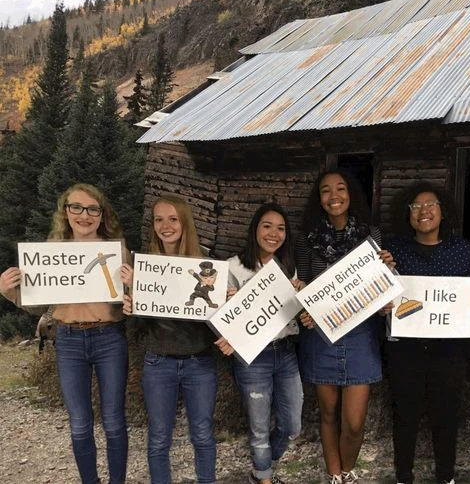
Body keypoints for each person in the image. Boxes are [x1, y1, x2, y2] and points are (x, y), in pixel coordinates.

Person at [0, 183, 128, 484]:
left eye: (93, 209)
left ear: (102, 214)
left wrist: (133, 288)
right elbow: (38, 306)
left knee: (113, 422)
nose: (85, 215)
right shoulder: (49, 252)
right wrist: (10, 293)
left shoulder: (117, 250)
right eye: (77, 208)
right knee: (80, 424)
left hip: (109, 337)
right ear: (66, 212)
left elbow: (130, 304)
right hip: (68, 340)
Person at [295, 169, 394, 484]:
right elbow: (304, 288)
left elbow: (379, 285)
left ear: (351, 194)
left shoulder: (371, 236)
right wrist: (305, 310)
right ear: (319, 198)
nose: (333, 196)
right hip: (321, 335)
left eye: (340, 188)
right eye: (326, 190)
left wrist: (388, 271)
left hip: (360, 336)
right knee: (327, 413)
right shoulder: (307, 239)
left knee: (353, 421)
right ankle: (334, 476)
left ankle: (348, 470)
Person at [383, 182, 470, 484]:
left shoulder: (463, 251)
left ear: (443, 210)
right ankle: (403, 477)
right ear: (407, 213)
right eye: (416, 206)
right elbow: (380, 292)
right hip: (405, 347)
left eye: (430, 204)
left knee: (447, 415)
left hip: (449, 349)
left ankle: (446, 477)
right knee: (405, 416)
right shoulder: (392, 250)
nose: (423, 211)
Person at [120, 195, 217, 484]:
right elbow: (138, 327)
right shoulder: (144, 265)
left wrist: (225, 300)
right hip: (158, 362)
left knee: (202, 434)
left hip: (199, 361)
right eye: (159, 219)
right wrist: (132, 305)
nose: (165, 225)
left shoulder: (206, 264)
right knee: (159, 437)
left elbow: (214, 322)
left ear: (184, 221)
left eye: (173, 218)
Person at [215, 202, 305, 484]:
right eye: (267, 226)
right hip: (252, 357)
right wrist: (226, 309)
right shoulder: (233, 267)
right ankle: (264, 477)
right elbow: (217, 316)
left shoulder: (288, 267)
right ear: (255, 229)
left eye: (280, 229)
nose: (273, 234)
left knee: (292, 426)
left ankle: (262, 466)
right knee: (259, 428)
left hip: (286, 352)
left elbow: (291, 312)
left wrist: (301, 294)